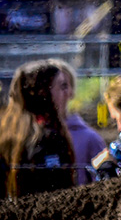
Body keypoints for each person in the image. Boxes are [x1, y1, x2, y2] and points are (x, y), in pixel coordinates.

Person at [0, 60, 75, 197]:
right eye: (61, 87)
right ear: (43, 92)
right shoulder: (47, 140)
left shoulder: (8, 130)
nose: (68, 93)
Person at [52, 59, 106, 185]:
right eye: (50, 86)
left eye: (64, 86)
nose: (57, 93)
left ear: (72, 92)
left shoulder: (90, 138)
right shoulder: (29, 136)